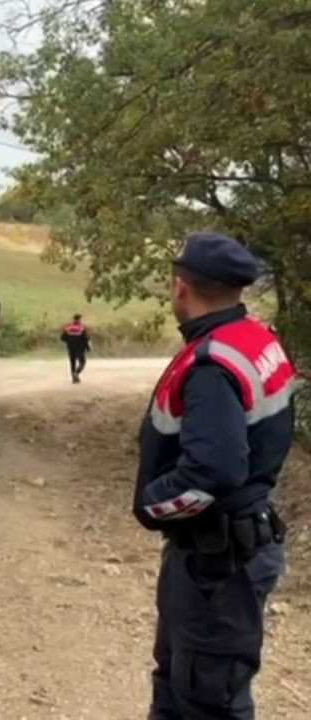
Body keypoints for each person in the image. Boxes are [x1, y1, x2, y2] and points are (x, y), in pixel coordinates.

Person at [134, 231, 296, 720]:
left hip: (218, 566)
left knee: (208, 701)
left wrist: (151, 504)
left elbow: (215, 471)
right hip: (222, 551)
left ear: (180, 286)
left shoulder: (212, 364)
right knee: (177, 688)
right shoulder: (254, 339)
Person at [60, 314, 91, 383]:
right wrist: (88, 348)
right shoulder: (82, 328)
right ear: (79, 319)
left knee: (72, 362)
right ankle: (76, 373)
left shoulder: (68, 328)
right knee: (82, 362)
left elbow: (62, 338)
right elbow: (85, 339)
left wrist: (69, 341)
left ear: (73, 319)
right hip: (80, 348)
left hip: (70, 348)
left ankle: (74, 378)